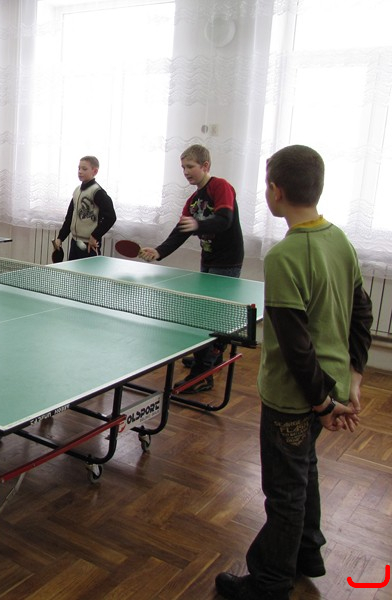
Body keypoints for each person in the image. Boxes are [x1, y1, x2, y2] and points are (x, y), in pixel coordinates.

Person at [215, 145, 373, 600]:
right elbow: (362, 312)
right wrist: (354, 377)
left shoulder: (284, 256)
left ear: (275, 191)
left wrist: (320, 402)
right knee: (305, 468)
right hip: (330, 385)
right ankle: (307, 552)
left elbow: (295, 345)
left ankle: (269, 582)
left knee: (284, 490)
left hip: (294, 396)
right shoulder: (339, 239)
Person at [140, 144, 243, 393]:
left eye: (190, 166)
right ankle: (210, 356)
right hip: (209, 258)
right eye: (183, 167)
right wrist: (159, 251)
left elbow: (224, 220)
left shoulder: (221, 187)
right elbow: (181, 231)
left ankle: (202, 374)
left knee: (210, 315)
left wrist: (198, 224)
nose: (185, 172)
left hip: (228, 260)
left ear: (205, 166)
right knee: (207, 311)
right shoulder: (194, 200)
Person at [52, 156, 117, 261]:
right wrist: (60, 238)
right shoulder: (77, 191)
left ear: (95, 171)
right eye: (79, 168)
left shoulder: (97, 192)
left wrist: (95, 236)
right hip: (75, 242)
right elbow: (70, 217)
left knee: (89, 271)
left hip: (90, 245)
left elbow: (111, 217)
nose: (80, 171)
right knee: (72, 271)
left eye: (84, 169)